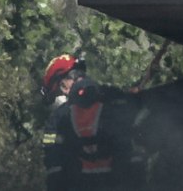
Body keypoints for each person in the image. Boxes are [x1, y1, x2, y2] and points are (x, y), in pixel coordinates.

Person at [41, 54, 143, 190]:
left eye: (61, 90)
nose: (64, 94)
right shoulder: (115, 98)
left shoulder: (59, 118)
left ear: (65, 83)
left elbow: (53, 160)